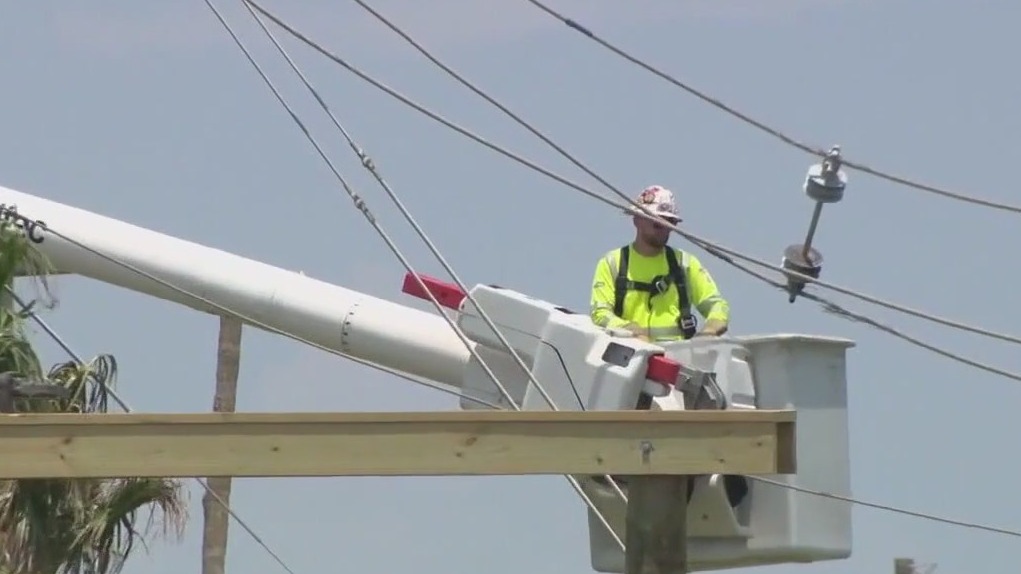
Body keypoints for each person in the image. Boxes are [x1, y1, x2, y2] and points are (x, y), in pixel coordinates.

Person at [589, 185, 730, 342]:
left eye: (670, 223)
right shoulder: (612, 263)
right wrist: (630, 330)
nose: (664, 229)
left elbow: (716, 305)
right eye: (658, 223)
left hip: (677, 359)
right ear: (637, 220)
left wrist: (710, 330)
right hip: (631, 357)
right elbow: (600, 313)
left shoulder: (685, 264)